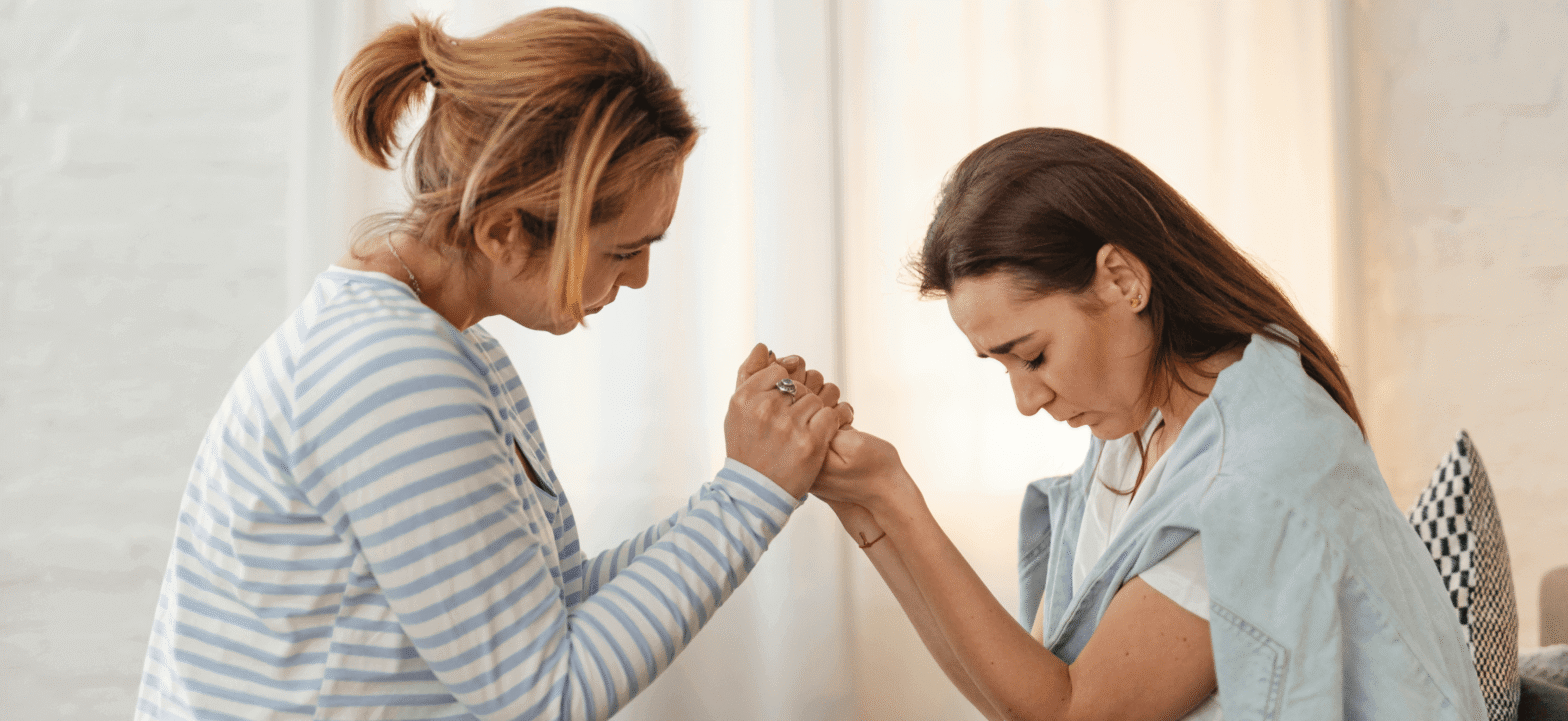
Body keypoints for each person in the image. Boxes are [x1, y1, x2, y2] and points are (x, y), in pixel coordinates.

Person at [134, 9, 850, 720]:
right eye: (623, 250)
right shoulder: (392, 372)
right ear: (503, 230)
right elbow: (544, 693)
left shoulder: (452, 351)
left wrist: (756, 474)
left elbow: (556, 603)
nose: (637, 281)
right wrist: (749, 492)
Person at [811, 127, 1488, 720]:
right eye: (1001, 364)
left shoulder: (1254, 472)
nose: (1025, 399)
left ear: (1122, 280)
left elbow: (1072, 709)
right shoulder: (1136, 434)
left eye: (1034, 355)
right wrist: (867, 509)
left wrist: (895, 503)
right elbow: (1027, 693)